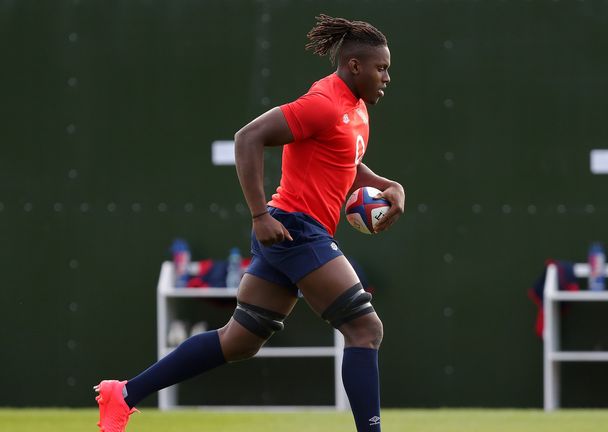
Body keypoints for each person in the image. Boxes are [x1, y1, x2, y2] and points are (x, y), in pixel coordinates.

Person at [94, 14, 404, 432]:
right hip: (295, 227)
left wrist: (388, 184)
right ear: (353, 66)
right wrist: (259, 215)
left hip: (291, 232)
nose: (386, 76)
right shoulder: (324, 103)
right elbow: (248, 137)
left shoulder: (356, 108)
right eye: (381, 68)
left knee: (238, 341)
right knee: (365, 328)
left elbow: (346, 159)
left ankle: (124, 393)